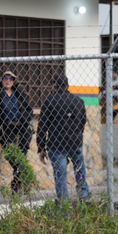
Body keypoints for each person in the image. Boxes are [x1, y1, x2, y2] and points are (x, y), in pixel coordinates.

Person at [36, 73, 90, 201]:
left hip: (57, 143)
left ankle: (64, 203)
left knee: (61, 174)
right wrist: (77, 135)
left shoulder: (49, 102)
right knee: (79, 167)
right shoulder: (78, 101)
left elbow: (42, 126)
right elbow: (82, 121)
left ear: (54, 85)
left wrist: (41, 147)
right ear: (67, 85)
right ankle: (83, 193)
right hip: (75, 142)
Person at [0, 71, 34, 193]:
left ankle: (17, 184)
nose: (8, 80)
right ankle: (20, 181)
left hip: (21, 125)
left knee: (23, 152)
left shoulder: (19, 93)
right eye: (5, 78)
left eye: (11, 78)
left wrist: (26, 119)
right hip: (6, 126)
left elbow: (29, 109)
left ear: (14, 81)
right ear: (2, 80)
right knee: (11, 153)